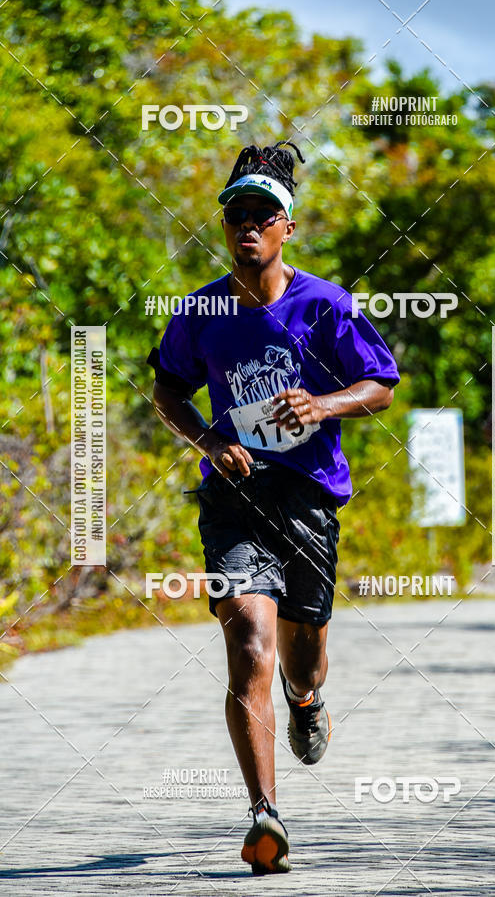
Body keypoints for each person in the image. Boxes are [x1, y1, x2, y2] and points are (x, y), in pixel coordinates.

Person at [147, 140, 400, 875]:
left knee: (302, 653)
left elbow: (379, 383)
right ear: (224, 227)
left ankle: (305, 695)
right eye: (236, 214)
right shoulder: (201, 312)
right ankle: (265, 813)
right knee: (246, 641)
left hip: (309, 497)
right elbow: (168, 390)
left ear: (289, 226)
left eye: (264, 214)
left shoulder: (324, 305)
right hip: (233, 495)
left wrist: (322, 403)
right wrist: (204, 438)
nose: (248, 225)